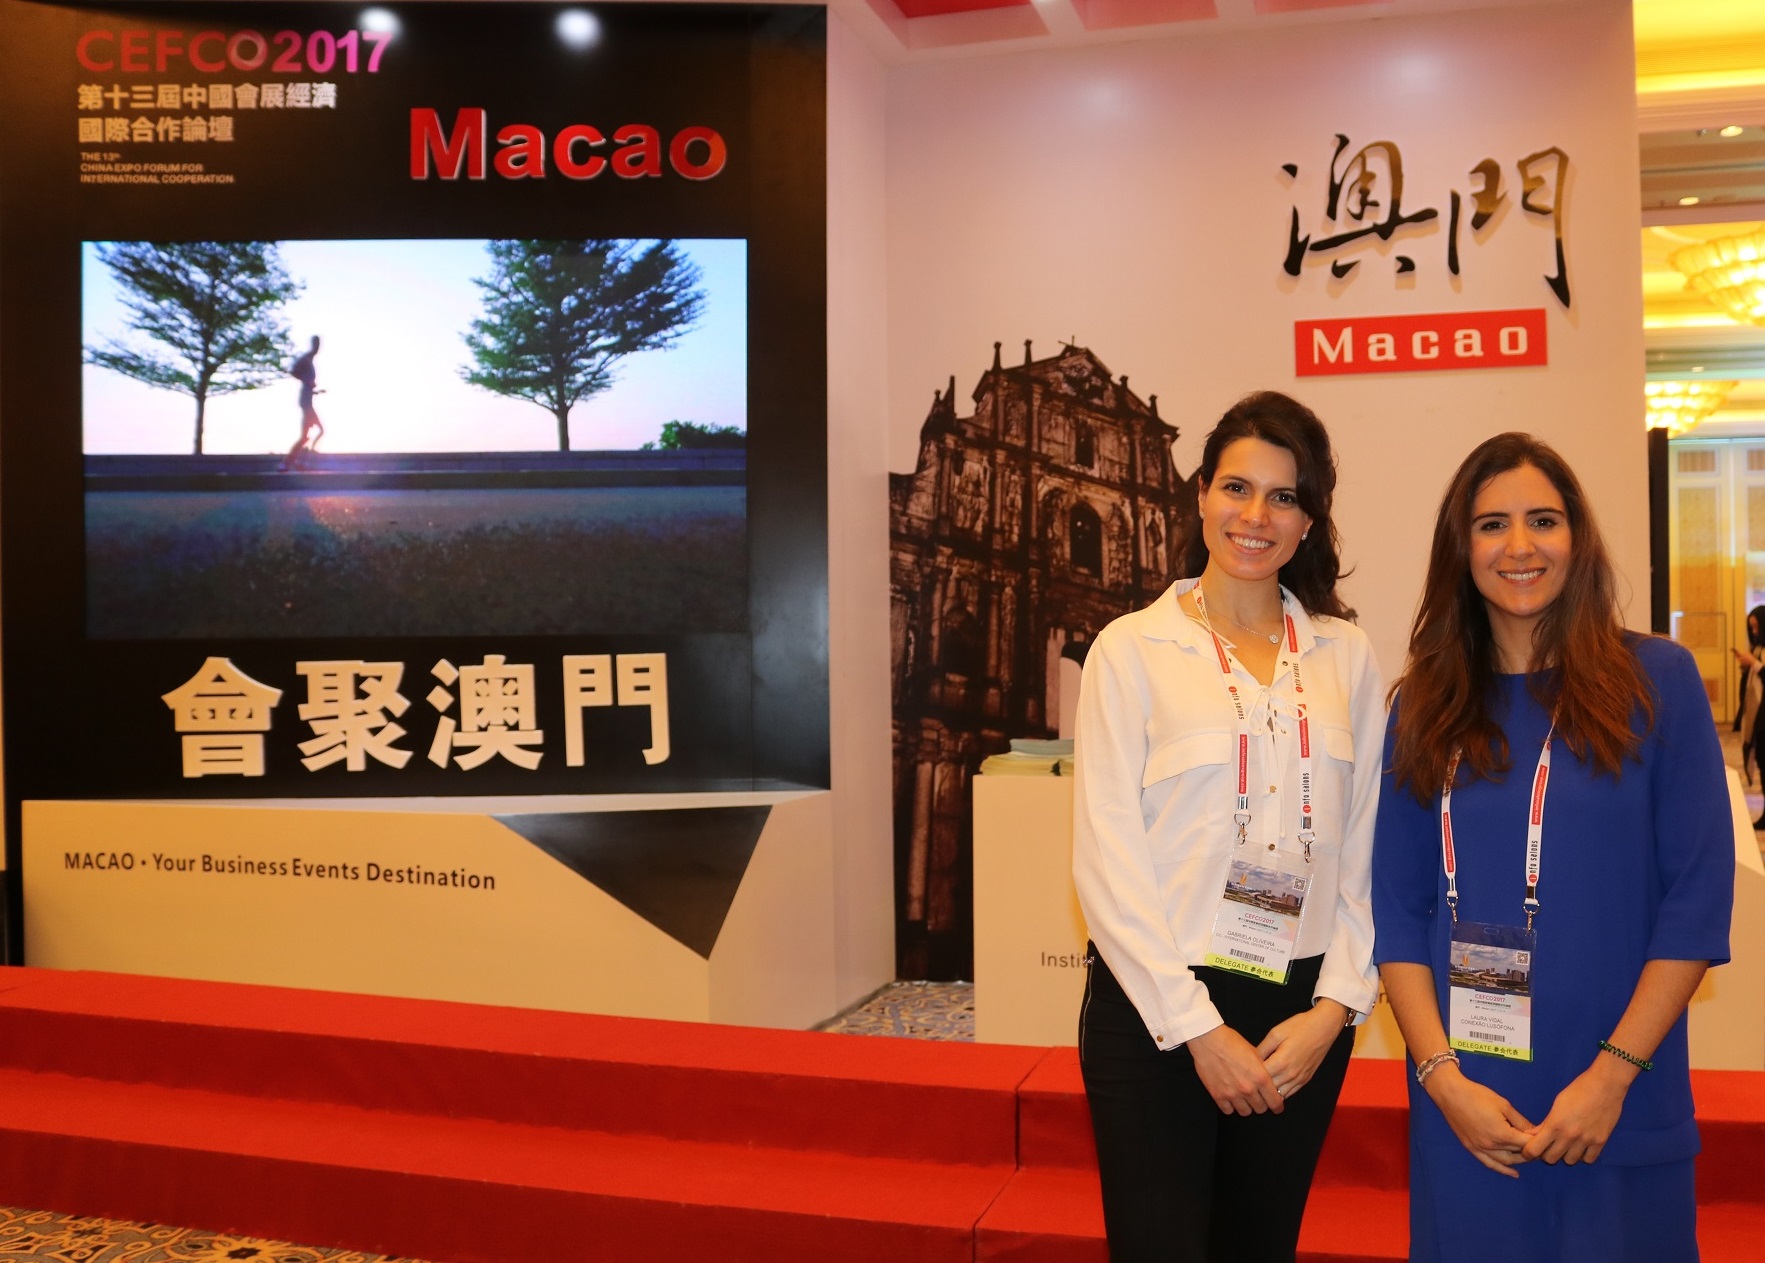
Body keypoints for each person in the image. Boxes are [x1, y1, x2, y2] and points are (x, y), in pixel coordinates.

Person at [1372, 433, 1733, 1263]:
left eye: (1542, 519)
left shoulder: (1657, 679)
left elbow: (1695, 901)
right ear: (1460, 548)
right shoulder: (1423, 705)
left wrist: (1611, 1076)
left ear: (1577, 536)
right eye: (1490, 524)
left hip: (1618, 1096)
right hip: (1469, 1107)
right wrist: (1442, 1082)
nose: (1519, 545)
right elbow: (1395, 907)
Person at [1072, 391, 1383, 1263]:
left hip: (1298, 1016)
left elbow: (1367, 849)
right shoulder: (1129, 649)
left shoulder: (1346, 656)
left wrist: (1334, 1009)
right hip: (1157, 1007)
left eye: (1283, 496)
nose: (1255, 516)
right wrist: (1197, 1029)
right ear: (1201, 493)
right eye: (1236, 488)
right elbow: (1106, 858)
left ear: (1310, 519)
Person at [281, 335, 324, 471]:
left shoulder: (310, 360)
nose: (318, 347)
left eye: (319, 344)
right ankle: (290, 462)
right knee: (312, 433)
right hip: (306, 404)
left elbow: (307, 384)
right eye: (316, 344)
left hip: (307, 402)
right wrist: (306, 380)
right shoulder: (306, 359)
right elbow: (294, 371)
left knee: (308, 435)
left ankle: (298, 461)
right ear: (312, 344)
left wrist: (315, 391)